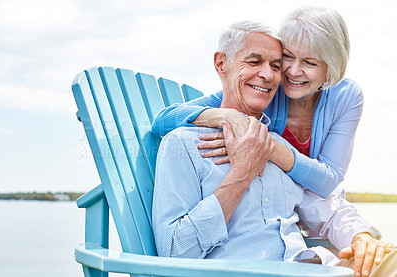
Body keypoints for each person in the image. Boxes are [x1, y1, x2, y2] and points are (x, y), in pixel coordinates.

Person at [152, 21, 396, 277]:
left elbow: (324, 207)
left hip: (312, 266)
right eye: (254, 62)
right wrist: (241, 175)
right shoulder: (183, 144)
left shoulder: (276, 146)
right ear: (221, 64)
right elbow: (175, 251)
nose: (268, 75)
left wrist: (361, 236)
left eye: (276, 66)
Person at [151, 6, 362, 199]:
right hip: (273, 207)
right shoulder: (265, 88)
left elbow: (328, 181)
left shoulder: (346, 97)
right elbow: (163, 120)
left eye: (309, 62)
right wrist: (228, 116)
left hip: (319, 211)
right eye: (287, 56)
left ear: (331, 66)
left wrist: (265, 145)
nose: (294, 72)